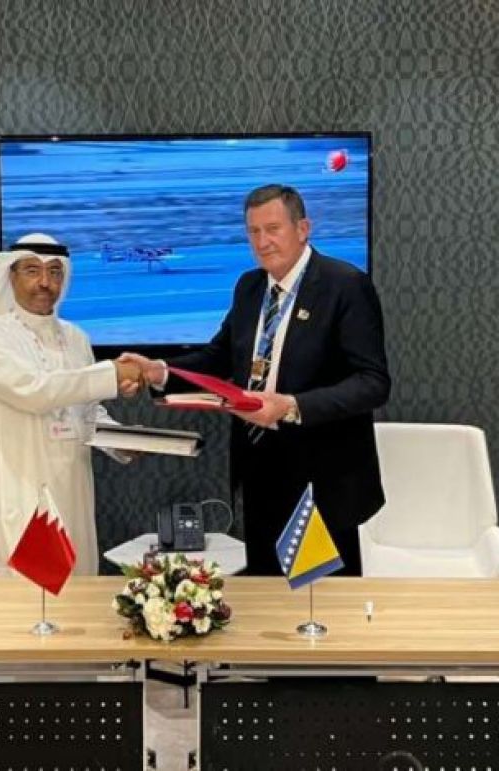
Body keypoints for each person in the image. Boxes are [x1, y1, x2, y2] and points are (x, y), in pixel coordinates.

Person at [123, 184, 390, 575]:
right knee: (267, 592)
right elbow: (218, 357)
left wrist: (292, 406)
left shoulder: (344, 284)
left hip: (322, 478)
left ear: (303, 228)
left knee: (321, 596)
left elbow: (373, 382)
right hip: (260, 470)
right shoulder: (249, 287)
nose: (263, 242)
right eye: (254, 231)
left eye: (273, 229)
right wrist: (160, 371)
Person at [0, 233, 143, 577]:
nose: (45, 282)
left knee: (75, 592)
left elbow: (87, 411)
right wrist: (112, 374)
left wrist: (121, 442)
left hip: (71, 491)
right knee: (19, 596)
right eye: (32, 271)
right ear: (11, 276)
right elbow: (35, 392)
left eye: (55, 272)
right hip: (18, 489)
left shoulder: (76, 338)